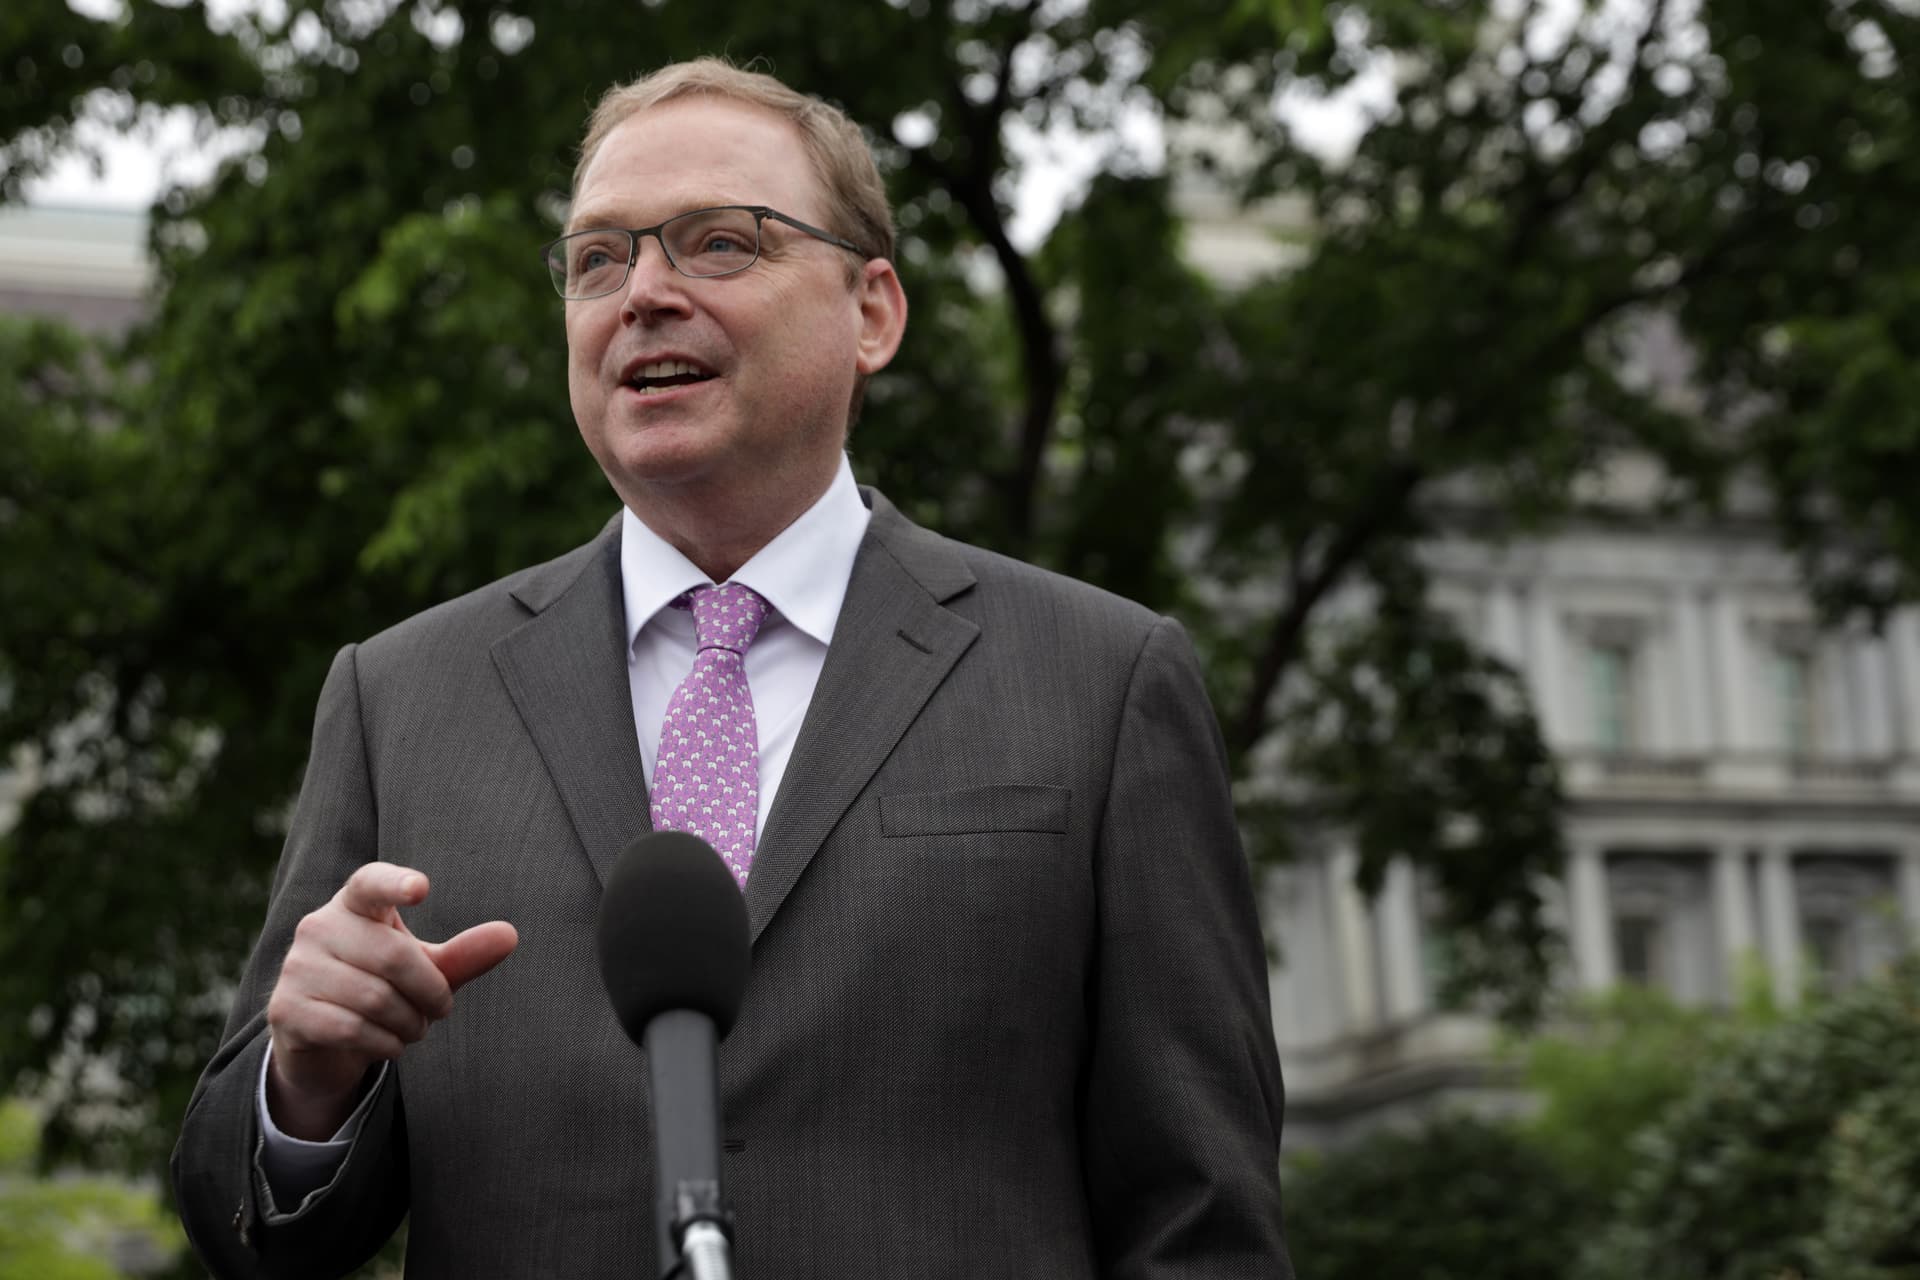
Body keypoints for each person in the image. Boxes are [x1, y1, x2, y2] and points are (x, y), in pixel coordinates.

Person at [172, 57, 1291, 1279]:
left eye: (718, 243)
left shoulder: (1101, 680)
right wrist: (307, 1079)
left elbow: (1202, 1219)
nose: (643, 292)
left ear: (872, 311)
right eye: (599, 258)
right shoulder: (402, 697)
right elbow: (249, 1222)